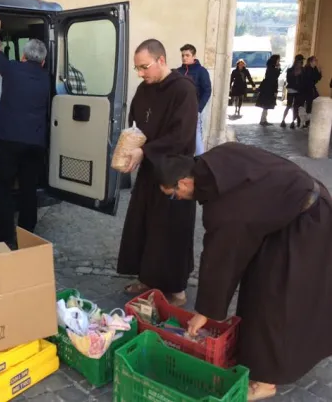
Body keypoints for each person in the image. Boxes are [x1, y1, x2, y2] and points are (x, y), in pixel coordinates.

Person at [156, 142, 332, 401]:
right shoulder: (215, 160)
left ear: (183, 183)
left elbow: (219, 258)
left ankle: (266, 381)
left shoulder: (223, 209)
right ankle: (255, 355)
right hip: (287, 215)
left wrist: (204, 313)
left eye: (172, 194)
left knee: (274, 298)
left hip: (307, 221)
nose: (178, 199)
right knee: (258, 284)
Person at [117, 39, 197, 307]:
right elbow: (137, 122)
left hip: (176, 172)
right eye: (137, 68)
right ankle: (148, 278)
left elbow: (181, 135)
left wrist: (146, 150)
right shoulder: (144, 88)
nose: (140, 73)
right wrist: (131, 143)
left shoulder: (184, 90)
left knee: (172, 230)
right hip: (150, 170)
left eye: (144, 67)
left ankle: (177, 290)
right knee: (146, 225)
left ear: (161, 60)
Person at [0, 39, 51, 248]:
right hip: (35, 144)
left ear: (23, 56)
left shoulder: (12, 68)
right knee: (29, 189)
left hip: (10, 140)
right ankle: (27, 232)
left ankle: (5, 237)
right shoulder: (47, 78)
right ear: (43, 62)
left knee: (3, 187)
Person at [178, 44, 212, 155]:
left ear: (194, 56)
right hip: (179, 111)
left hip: (194, 110)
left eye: (187, 55)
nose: (184, 58)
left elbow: (207, 91)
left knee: (196, 136)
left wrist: (198, 109)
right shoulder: (178, 72)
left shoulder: (201, 71)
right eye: (183, 55)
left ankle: (199, 163)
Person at [255, 54, 281, 126]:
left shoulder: (270, 68)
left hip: (267, 88)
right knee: (266, 105)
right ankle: (263, 120)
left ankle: (264, 119)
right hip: (269, 89)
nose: (279, 61)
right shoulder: (272, 69)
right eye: (278, 59)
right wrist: (278, 68)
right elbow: (274, 79)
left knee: (266, 106)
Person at [281, 54, 305, 129]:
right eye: (301, 61)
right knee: (290, 106)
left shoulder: (301, 70)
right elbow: (289, 80)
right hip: (293, 90)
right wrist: (296, 75)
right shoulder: (291, 70)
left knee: (294, 107)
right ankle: (285, 121)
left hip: (296, 90)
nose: (302, 62)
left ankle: (291, 122)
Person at [302, 56, 322, 128]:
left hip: (312, 88)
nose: (316, 61)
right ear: (311, 61)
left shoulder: (314, 68)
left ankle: (309, 120)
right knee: (309, 105)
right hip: (307, 89)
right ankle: (306, 122)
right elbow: (310, 79)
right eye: (315, 60)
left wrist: (320, 72)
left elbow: (318, 78)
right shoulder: (307, 69)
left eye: (316, 60)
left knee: (315, 103)